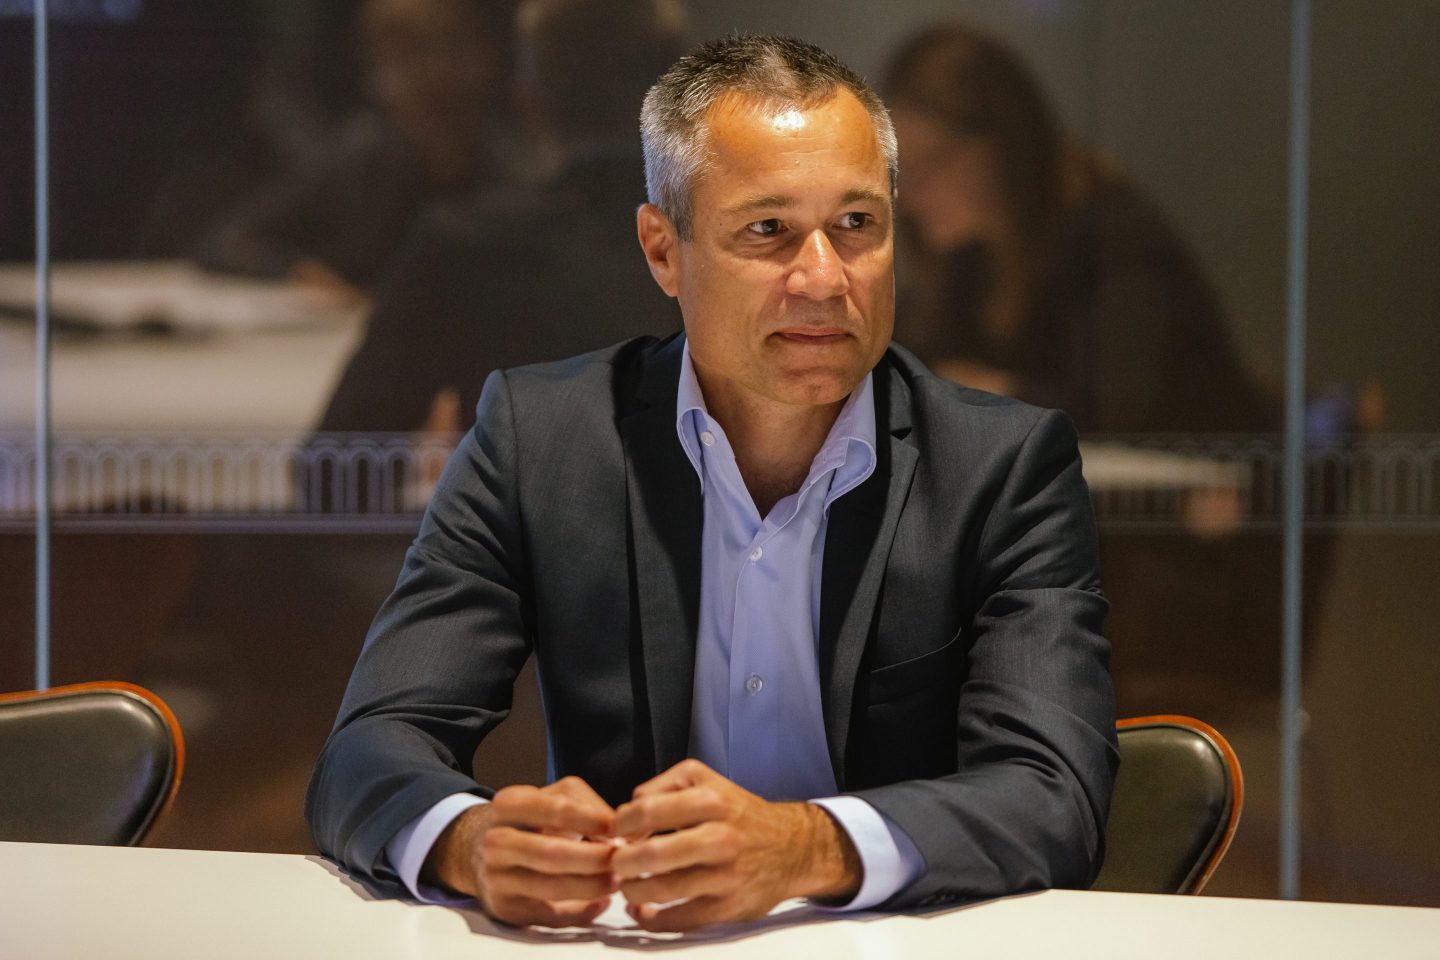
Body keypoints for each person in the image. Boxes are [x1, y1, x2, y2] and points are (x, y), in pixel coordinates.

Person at [307, 34, 1117, 932]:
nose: (824, 278)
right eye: (767, 230)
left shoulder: (1001, 468)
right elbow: (371, 747)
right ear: (663, 251)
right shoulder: (544, 441)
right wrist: (468, 841)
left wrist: (805, 848)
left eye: (857, 224)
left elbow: (1055, 794)